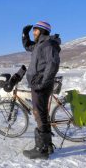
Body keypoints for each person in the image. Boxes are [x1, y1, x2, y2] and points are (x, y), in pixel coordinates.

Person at [22, 21, 61, 159]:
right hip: (37, 83)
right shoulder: (40, 44)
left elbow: (53, 65)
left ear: (42, 31)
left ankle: (41, 150)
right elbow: (28, 47)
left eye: (35, 30)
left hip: (41, 85)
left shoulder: (48, 44)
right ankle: (47, 146)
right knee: (42, 114)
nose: (34, 32)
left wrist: (43, 83)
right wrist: (24, 35)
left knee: (39, 115)